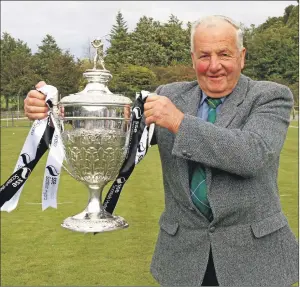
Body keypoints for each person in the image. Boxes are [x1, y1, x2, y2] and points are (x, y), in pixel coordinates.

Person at [24, 15, 298, 286]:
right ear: (193, 59)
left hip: (257, 262)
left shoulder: (270, 96)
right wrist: (54, 111)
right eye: (204, 56)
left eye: (224, 54)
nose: (214, 66)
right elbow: (118, 134)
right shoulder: (170, 95)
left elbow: (252, 154)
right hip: (182, 261)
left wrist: (179, 122)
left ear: (242, 56)